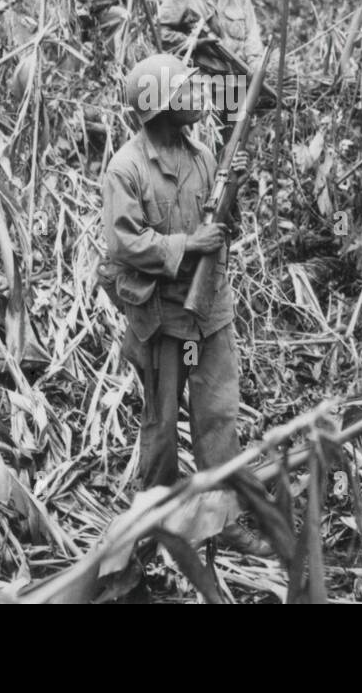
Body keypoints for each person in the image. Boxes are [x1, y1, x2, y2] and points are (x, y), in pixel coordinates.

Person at [98, 52, 269, 556]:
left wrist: (233, 187)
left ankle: (223, 521)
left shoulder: (202, 155)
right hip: (164, 324)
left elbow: (222, 230)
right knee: (162, 429)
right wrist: (186, 245)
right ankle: (155, 526)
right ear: (158, 108)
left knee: (216, 418)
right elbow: (122, 243)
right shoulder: (126, 168)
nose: (197, 99)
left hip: (205, 322)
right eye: (185, 93)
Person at [157, 0, 270, 141]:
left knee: (235, 143)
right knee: (205, 145)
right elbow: (160, 34)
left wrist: (256, 72)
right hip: (202, 85)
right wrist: (196, 43)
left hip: (237, 83)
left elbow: (252, 36)